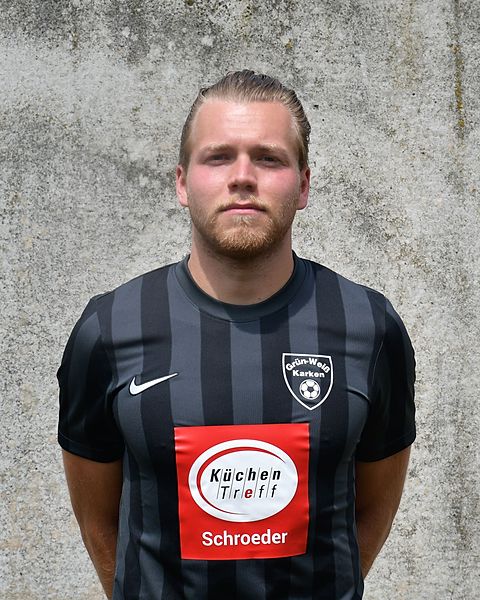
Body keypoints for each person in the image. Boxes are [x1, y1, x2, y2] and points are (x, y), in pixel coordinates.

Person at [58, 70, 416, 600]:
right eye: (219, 157)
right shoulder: (108, 329)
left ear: (303, 184)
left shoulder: (370, 326)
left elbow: (373, 509)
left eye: (268, 158)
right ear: (183, 183)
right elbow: (98, 523)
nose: (242, 177)